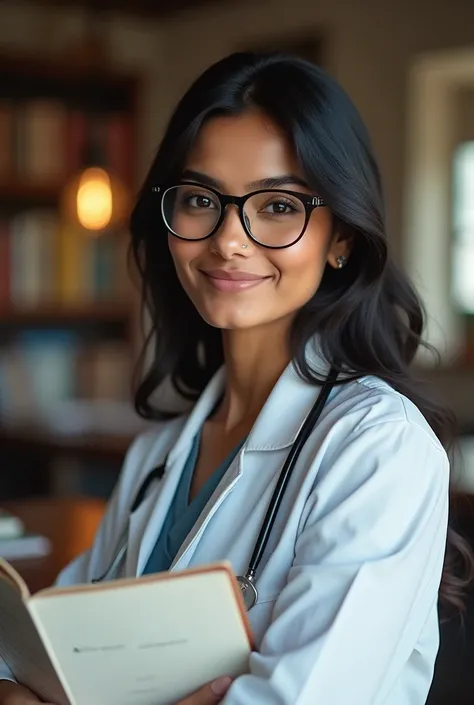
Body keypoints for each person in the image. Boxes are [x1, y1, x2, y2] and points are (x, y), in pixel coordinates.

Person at [0, 51, 471, 705]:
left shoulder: (377, 446)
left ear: (341, 238)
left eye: (277, 205)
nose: (228, 239)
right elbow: (42, 646)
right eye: (200, 199)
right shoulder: (157, 456)